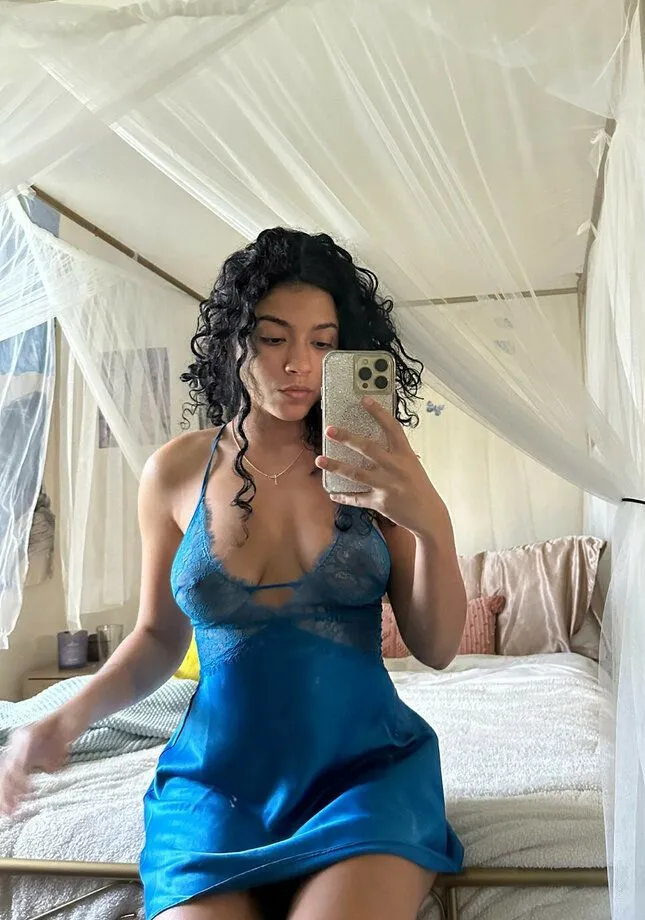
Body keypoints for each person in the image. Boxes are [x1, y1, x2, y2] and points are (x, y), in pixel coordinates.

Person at [0, 228, 468, 920]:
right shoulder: (173, 472)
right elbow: (158, 637)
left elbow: (437, 646)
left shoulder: (376, 467)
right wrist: (64, 719)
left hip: (366, 776)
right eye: (275, 338)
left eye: (323, 342)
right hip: (216, 784)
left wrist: (432, 522)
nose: (299, 364)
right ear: (234, 341)